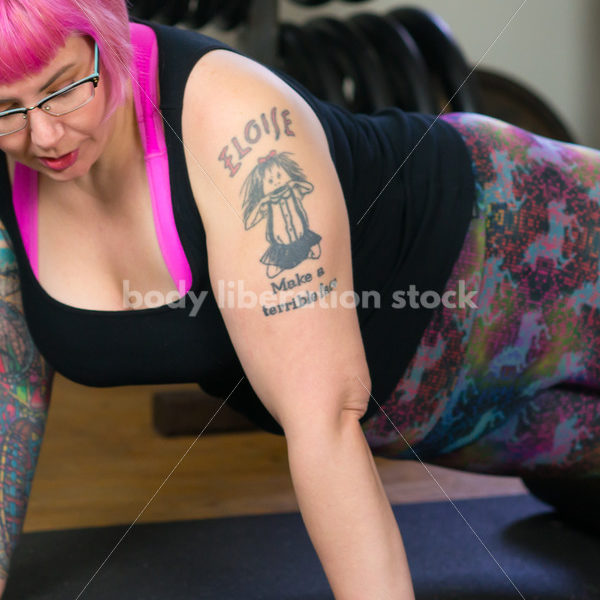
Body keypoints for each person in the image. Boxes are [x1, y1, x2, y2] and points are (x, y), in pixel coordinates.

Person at [0, 0, 598, 598]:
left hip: (519, 240)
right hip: (444, 419)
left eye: (63, 88)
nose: (45, 134)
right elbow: (11, 395)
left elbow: (324, 421)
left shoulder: (233, 119)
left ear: (109, 35)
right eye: (7, 109)